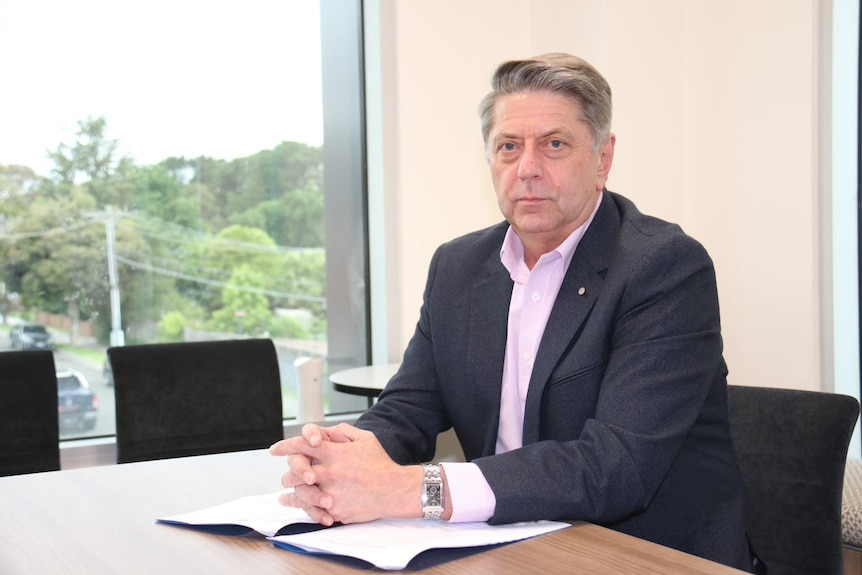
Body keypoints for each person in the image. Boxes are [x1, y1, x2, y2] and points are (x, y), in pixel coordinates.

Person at [270, 52, 756, 572]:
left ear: (603, 158)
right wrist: (337, 459)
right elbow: (408, 407)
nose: (527, 168)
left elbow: (614, 467)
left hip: (646, 554)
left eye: (554, 144)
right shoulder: (457, 266)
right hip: (510, 545)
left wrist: (413, 489)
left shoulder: (663, 267)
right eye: (508, 147)